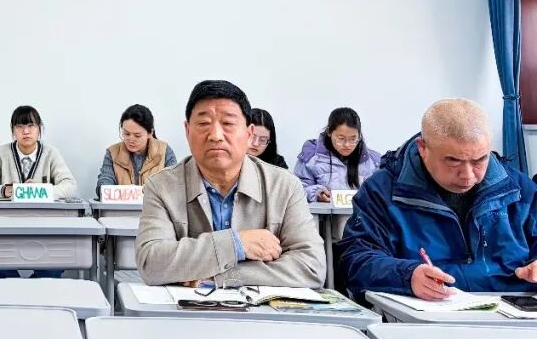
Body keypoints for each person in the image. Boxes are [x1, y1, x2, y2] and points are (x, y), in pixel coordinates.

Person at [339, 99, 537, 300]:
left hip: (513, 311)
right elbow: (356, 260)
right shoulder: (382, 192)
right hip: (425, 312)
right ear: (423, 148)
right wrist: (407, 277)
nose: (467, 175)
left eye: (479, 160)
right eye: (453, 161)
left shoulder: (519, 189)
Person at [136, 80, 326, 287]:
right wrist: (237, 243)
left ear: (249, 134)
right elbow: (151, 263)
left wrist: (222, 277)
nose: (216, 136)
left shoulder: (284, 186)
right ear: (187, 131)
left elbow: (311, 267)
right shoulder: (161, 186)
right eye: (204, 124)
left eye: (228, 123)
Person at [0, 105, 77, 279]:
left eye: (31, 126)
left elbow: (70, 185)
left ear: (39, 129)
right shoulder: (1, 153)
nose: (26, 131)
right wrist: (4, 190)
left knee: (52, 270)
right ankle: (16, 295)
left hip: (44, 231)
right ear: (13, 131)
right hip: (6, 231)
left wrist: (42, 190)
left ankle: (32, 295)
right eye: (20, 127)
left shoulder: (51, 153)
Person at [295, 107, 381, 203]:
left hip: (360, 213)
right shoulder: (311, 157)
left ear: (359, 135)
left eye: (353, 139)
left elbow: (383, 192)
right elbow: (297, 189)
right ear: (329, 132)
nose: (347, 144)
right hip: (324, 212)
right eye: (341, 138)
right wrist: (316, 193)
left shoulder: (374, 162)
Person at [96, 104, 178, 197]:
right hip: (121, 206)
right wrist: (125, 191)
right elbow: (104, 182)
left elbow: (174, 184)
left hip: (155, 206)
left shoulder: (164, 151)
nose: (131, 139)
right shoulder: (113, 152)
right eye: (126, 134)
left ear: (150, 133)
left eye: (137, 135)